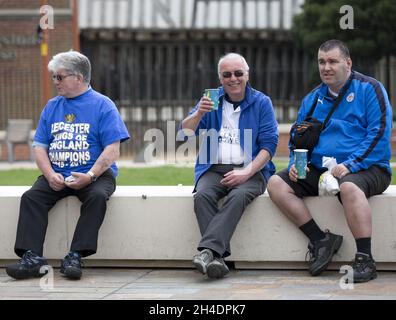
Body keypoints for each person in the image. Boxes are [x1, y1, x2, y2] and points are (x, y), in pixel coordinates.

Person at [267, 39, 392, 283]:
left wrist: (350, 166)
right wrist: (295, 162)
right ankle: (321, 240)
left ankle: (365, 260)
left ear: (348, 62)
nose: (326, 67)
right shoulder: (312, 99)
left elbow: (379, 133)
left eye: (333, 61)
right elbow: (296, 136)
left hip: (367, 167)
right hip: (322, 169)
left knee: (349, 186)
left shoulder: (370, 89)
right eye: (322, 62)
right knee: (276, 184)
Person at [6, 51, 130, 280]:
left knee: (96, 197)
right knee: (31, 198)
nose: (56, 82)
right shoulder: (52, 106)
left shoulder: (103, 105)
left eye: (59, 77)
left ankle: (75, 255)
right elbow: (40, 147)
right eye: (54, 77)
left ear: (79, 77)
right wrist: (50, 174)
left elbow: (113, 149)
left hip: (96, 174)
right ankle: (32, 258)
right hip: (58, 173)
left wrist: (90, 175)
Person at [181, 53, 278, 279]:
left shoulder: (261, 102)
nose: (233, 78)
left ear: (247, 74)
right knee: (202, 196)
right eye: (227, 74)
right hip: (213, 168)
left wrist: (246, 172)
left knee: (237, 196)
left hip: (252, 170)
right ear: (220, 78)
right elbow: (185, 132)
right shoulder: (211, 99)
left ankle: (209, 253)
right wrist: (199, 113)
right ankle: (217, 258)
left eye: (238, 73)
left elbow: (269, 146)